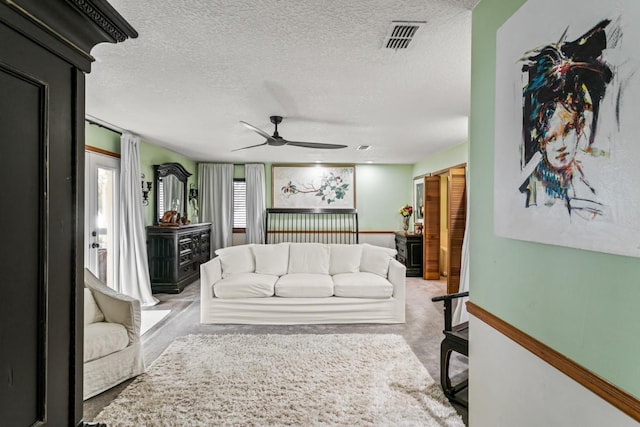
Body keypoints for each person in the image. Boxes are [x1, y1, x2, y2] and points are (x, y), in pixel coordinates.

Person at [518, 19, 613, 219]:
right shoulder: (535, 187)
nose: (561, 145)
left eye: (568, 129)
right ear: (541, 143)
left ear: (579, 126)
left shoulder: (586, 179)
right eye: (551, 138)